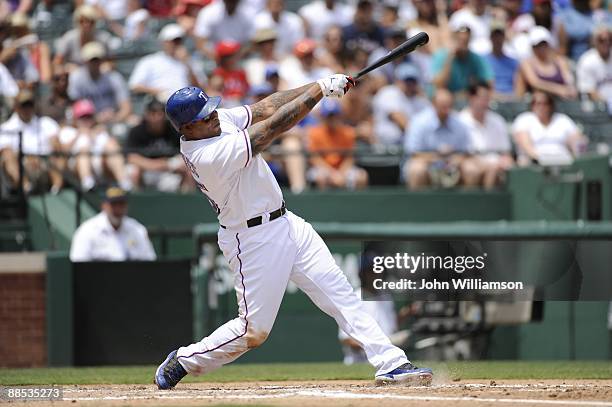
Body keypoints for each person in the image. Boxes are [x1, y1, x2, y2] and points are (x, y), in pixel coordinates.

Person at [154, 76, 433, 388]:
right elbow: (270, 129)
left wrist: (318, 83)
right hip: (251, 239)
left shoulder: (217, 121)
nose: (215, 116)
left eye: (212, 110)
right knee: (253, 330)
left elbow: (267, 106)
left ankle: (391, 363)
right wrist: (319, 93)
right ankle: (185, 360)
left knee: (341, 294)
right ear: (187, 128)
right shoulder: (205, 154)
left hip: (287, 223)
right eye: (205, 116)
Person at [405, 89, 481, 189]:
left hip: (454, 167)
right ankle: (417, 204)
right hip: (428, 165)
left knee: (471, 169)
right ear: (434, 105)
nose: (446, 110)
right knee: (417, 170)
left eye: (449, 106)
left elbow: (467, 152)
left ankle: (467, 204)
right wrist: (437, 157)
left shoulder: (459, 123)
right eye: (443, 107)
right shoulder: (419, 122)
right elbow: (414, 153)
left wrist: (456, 159)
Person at [58, 99, 132, 191]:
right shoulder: (68, 131)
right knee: (84, 149)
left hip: (101, 166)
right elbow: (62, 153)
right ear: (75, 118)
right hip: (76, 168)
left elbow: (114, 147)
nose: (86, 121)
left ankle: (124, 183)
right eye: (83, 117)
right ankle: (87, 182)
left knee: (111, 145)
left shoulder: (99, 130)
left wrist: (93, 134)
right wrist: (78, 135)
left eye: (89, 117)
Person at [69, 187, 156, 262]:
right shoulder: (87, 231)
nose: (118, 209)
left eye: (121, 204)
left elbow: (149, 261)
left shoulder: (137, 229)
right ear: (104, 206)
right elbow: (79, 265)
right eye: (113, 204)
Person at [0, 89, 63, 193]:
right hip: (22, 166)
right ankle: (26, 190)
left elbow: (57, 148)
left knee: (57, 149)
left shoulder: (46, 123)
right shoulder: (6, 128)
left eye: (30, 104)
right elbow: (5, 152)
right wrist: (28, 158)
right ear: (16, 107)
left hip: (45, 164)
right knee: (8, 155)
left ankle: (57, 189)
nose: (27, 108)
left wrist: (40, 158)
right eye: (24, 105)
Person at [458, 82, 513, 189]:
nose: (485, 102)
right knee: (474, 170)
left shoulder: (498, 121)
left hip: (497, 163)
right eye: (482, 97)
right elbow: (461, 155)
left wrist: (505, 161)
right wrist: (488, 165)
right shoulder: (460, 121)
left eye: (487, 98)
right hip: (471, 161)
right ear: (471, 98)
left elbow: (506, 152)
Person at [126, 98, 188, 192]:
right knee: (132, 171)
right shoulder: (137, 131)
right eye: (153, 113)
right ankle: (135, 203)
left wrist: (171, 164)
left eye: (160, 113)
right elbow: (132, 158)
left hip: (169, 172)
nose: (157, 117)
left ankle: (186, 202)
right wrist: (160, 164)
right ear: (146, 114)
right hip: (147, 171)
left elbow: (186, 153)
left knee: (188, 169)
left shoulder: (174, 129)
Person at [512, 90, 586, 166]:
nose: (541, 107)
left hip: (563, 161)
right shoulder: (524, 119)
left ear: (551, 105)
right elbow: (526, 146)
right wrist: (544, 160)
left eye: (545, 103)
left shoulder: (563, 119)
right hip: (535, 162)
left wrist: (576, 152)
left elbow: (577, 141)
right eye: (537, 103)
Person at [68, 42, 133, 128]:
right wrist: (95, 119)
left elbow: (126, 107)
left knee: (134, 122)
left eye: (97, 60)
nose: (94, 63)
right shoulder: (77, 78)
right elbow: (74, 108)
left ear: (102, 60)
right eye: (92, 60)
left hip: (113, 120)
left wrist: (116, 118)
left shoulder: (114, 77)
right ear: (85, 61)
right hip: (87, 122)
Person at [307, 99, 368, 189]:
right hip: (324, 169)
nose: (332, 119)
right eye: (329, 116)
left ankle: (355, 203)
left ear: (339, 116)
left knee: (362, 176)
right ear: (323, 117)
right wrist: (332, 173)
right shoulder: (315, 133)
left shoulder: (347, 132)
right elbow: (314, 158)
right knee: (321, 177)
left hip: (343, 169)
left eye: (334, 115)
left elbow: (350, 157)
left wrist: (341, 173)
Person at [129, 24, 201, 98]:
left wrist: (187, 64)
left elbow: (199, 88)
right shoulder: (150, 61)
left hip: (186, 103)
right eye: (173, 41)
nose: (176, 44)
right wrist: (158, 92)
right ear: (164, 42)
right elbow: (135, 86)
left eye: (179, 41)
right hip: (161, 104)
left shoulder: (189, 61)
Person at [372, 63, 431, 147]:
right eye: (406, 81)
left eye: (412, 81)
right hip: (385, 147)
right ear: (397, 80)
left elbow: (430, 121)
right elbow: (400, 120)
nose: (409, 84)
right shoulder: (389, 92)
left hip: (407, 146)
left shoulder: (420, 101)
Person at [431, 24, 493, 95]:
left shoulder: (475, 58)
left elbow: (489, 81)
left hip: (466, 96)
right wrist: (450, 57)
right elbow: (438, 84)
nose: (462, 44)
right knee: (442, 95)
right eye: (460, 40)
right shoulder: (441, 55)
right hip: (449, 95)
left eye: (465, 40)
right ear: (454, 38)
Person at [517, 26, 577, 100]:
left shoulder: (560, 61)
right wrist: (559, 90)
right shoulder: (526, 63)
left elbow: (568, 80)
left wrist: (569, 90)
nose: (541, 48)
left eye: (543, 44)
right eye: (537, 45)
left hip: (561, 103)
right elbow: (535, 83)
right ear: (532, 47)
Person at [576, 26, 612, 104]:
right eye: (602, 40)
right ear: (595, 41)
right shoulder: (587, 60)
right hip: (597, 106)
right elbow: (589, 91)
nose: (607, 43)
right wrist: (607, 103)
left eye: (610, 39)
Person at [485, 22, 519, 100]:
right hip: (491, 100)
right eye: (495, 36)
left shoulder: (514, 62)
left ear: (504, 37)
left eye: (500, 35)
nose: (497, 39)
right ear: (490, 37)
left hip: (511, 100)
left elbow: (518, 86)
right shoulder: (483, 61)